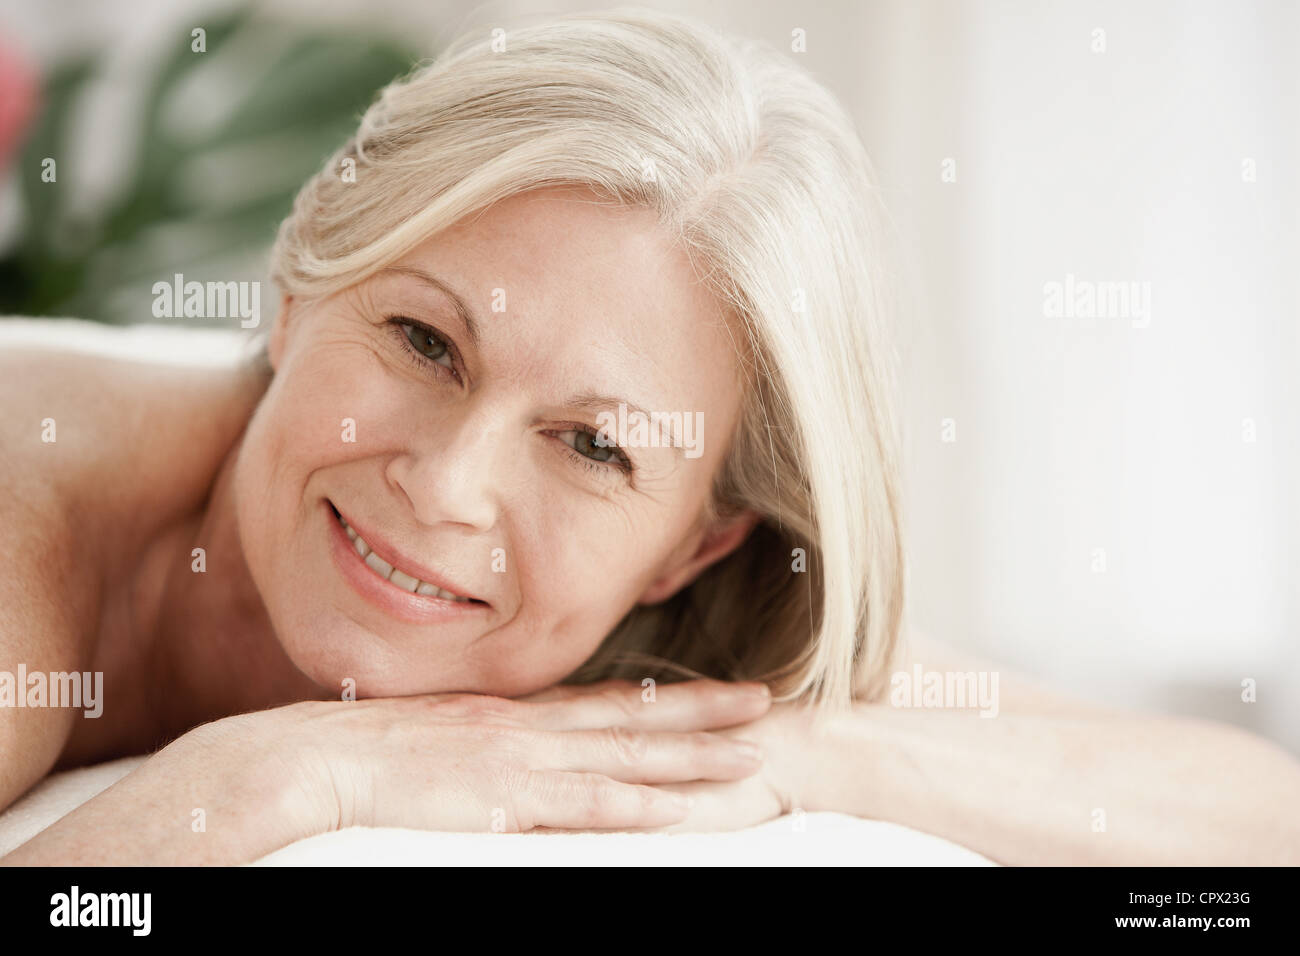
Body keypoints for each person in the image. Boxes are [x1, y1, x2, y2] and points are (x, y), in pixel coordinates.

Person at [2, 10, 1296, 866]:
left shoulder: (680, 623)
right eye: (424, 342)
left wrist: (806, 747)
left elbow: (1256, 812)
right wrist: (270, 785)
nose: (447, 485)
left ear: (695, 546)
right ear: (298, 285)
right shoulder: (30, 543)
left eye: (592, 447)